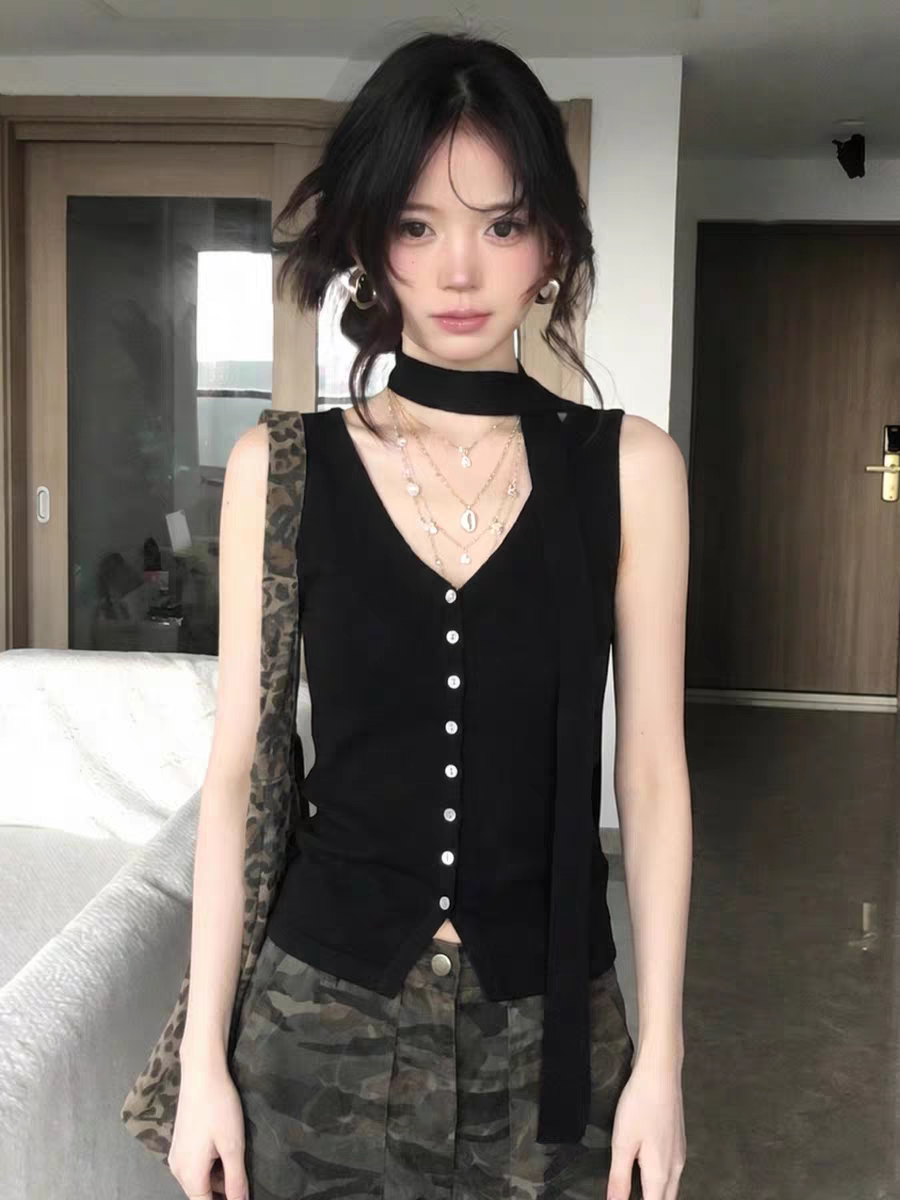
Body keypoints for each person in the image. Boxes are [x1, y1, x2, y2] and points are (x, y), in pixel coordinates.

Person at [167, 30, 691, 1200]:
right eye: (417, 225)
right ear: (368, 242)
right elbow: (242, 768)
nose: (460, 271)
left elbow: (654, 778)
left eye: (501, 225)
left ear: (551, 245)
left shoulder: (631, 471)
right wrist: (204, 1060)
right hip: (318, 1026)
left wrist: (662, 1058)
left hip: (554, 1031)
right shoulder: (281, 468)